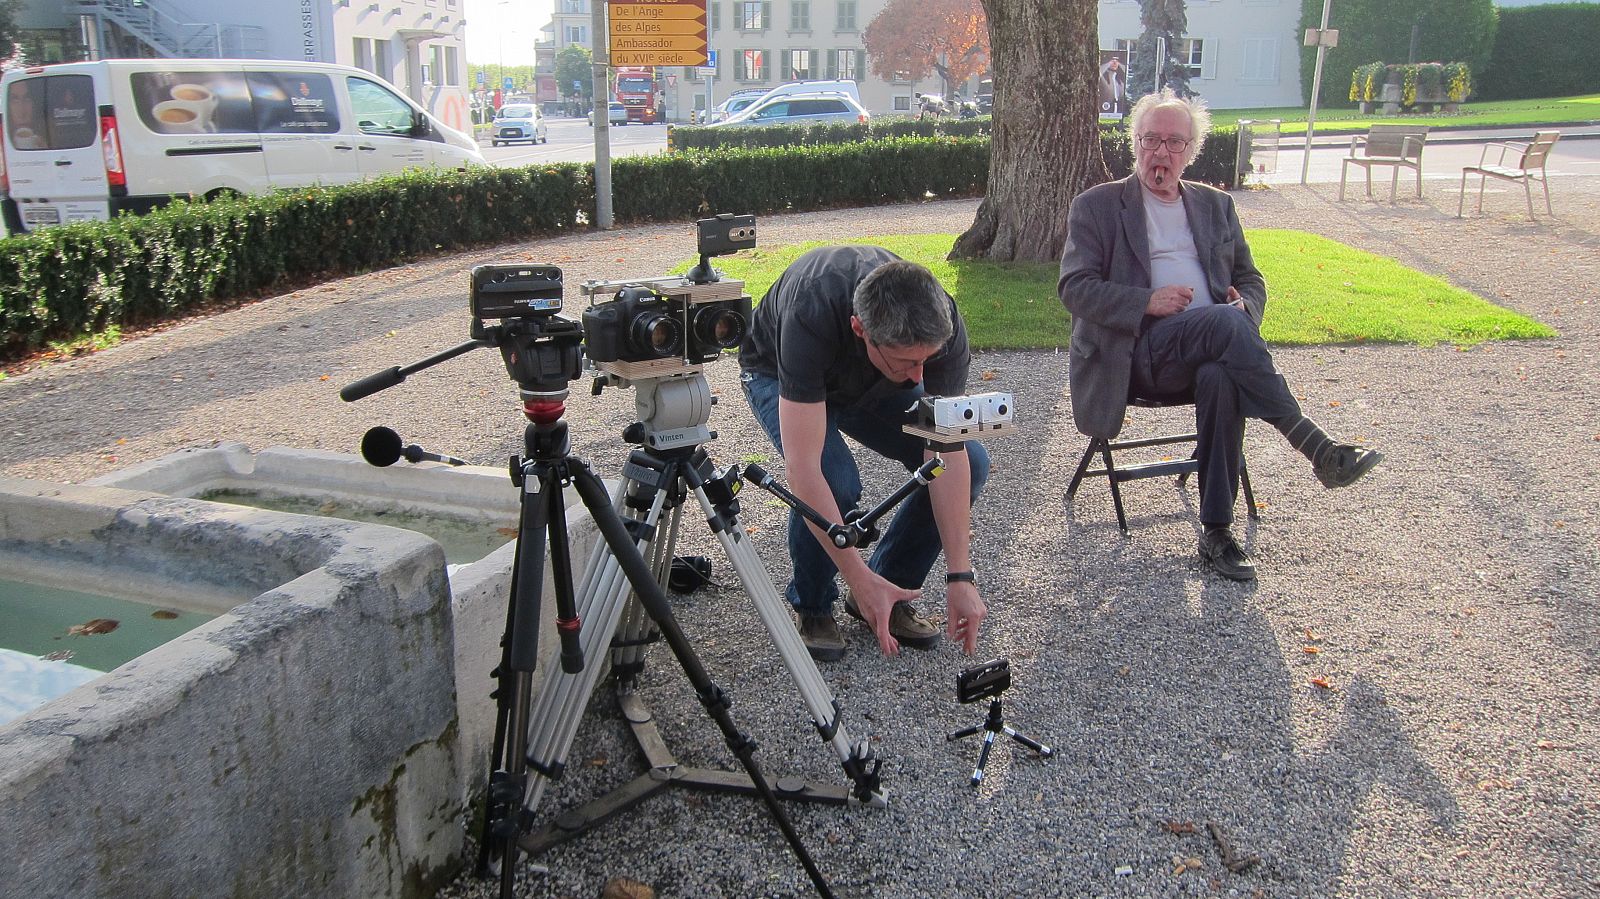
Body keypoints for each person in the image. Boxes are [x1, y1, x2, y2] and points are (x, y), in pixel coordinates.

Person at [1057, 89, 1382, 581]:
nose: (1160, 153)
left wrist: (1244, 306)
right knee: (1227, 328)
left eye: (1173, 143)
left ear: (1191, 151)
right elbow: (1074, 287)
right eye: (1150, 140)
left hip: (1211, 349)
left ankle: (1216, 532)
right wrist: (1145, 301)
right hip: (1140, 354)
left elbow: (1250, 279)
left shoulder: (1216, 206)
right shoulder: (1098, 206)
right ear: (1134, 144)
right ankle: (1315, 447)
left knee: (1221, 376)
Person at [738, 245, 989, 660]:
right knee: (833, 478)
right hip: (774, 371)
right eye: (909, 362)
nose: (920, 377)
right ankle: (815, 604)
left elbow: (946, 454)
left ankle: (888, 587)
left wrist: (960, 576)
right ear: (860, 329)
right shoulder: (811, 308)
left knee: (973, 462)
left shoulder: (939, 326)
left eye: (927, 360)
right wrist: (855, 574)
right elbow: (803, 471)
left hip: (872, 378)